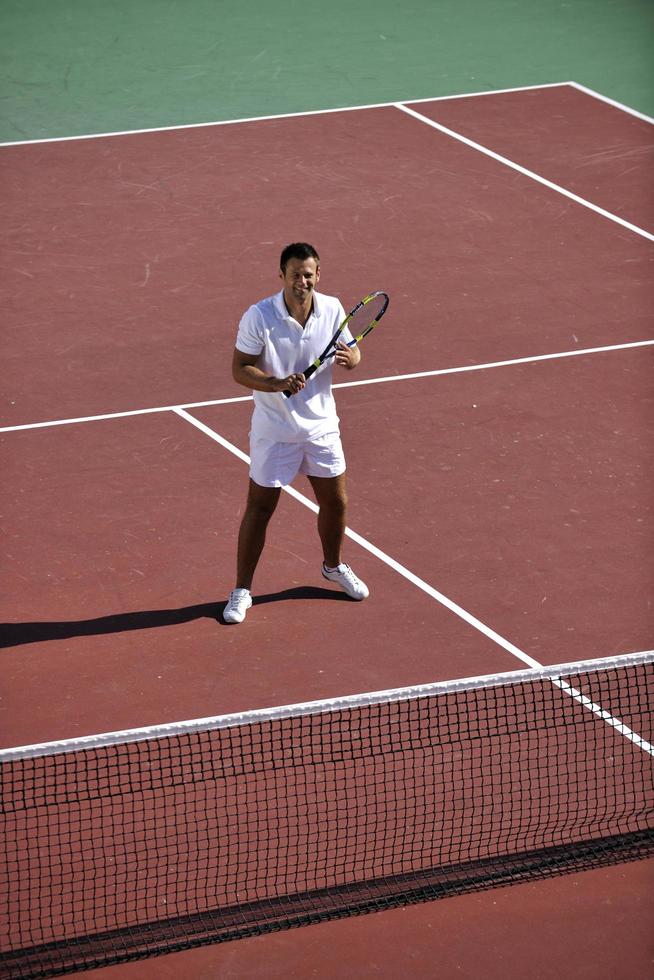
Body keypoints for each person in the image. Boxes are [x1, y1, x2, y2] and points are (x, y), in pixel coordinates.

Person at [223, 242, 369, 624]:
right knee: (260, 507)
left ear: (317, 275)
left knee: (335, 502)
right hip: (274, 431)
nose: (302, 281)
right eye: (294, 275)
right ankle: (241, 590)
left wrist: (352, 357)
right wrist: (275, 383)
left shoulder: (333, 308)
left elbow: (351, 351)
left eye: (308, 274)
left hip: (321, 428)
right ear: (281, 276)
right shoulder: (259, 316)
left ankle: (332, 567)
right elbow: (240, 369)